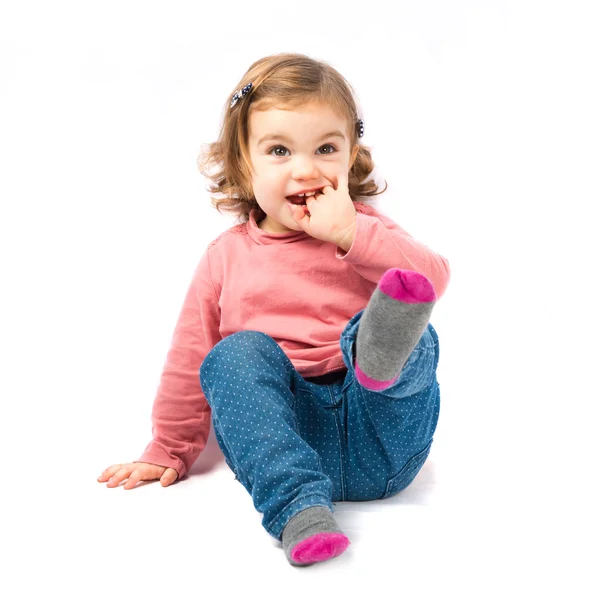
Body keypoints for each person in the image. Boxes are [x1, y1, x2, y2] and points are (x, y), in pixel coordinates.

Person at [98, 52, 451, 567]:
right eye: (280, 150)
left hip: (382, 433)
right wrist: (168, 447)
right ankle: (299, 512)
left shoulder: (366, 230)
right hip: (287, 442)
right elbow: (190, 353)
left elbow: (432, 280)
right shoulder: (227, 256)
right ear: (245, 163)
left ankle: (379, 361)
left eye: (326, 148)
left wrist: (350, 233)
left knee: (405, 322)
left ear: (350, 156)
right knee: (233, 353)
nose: (306, 169)